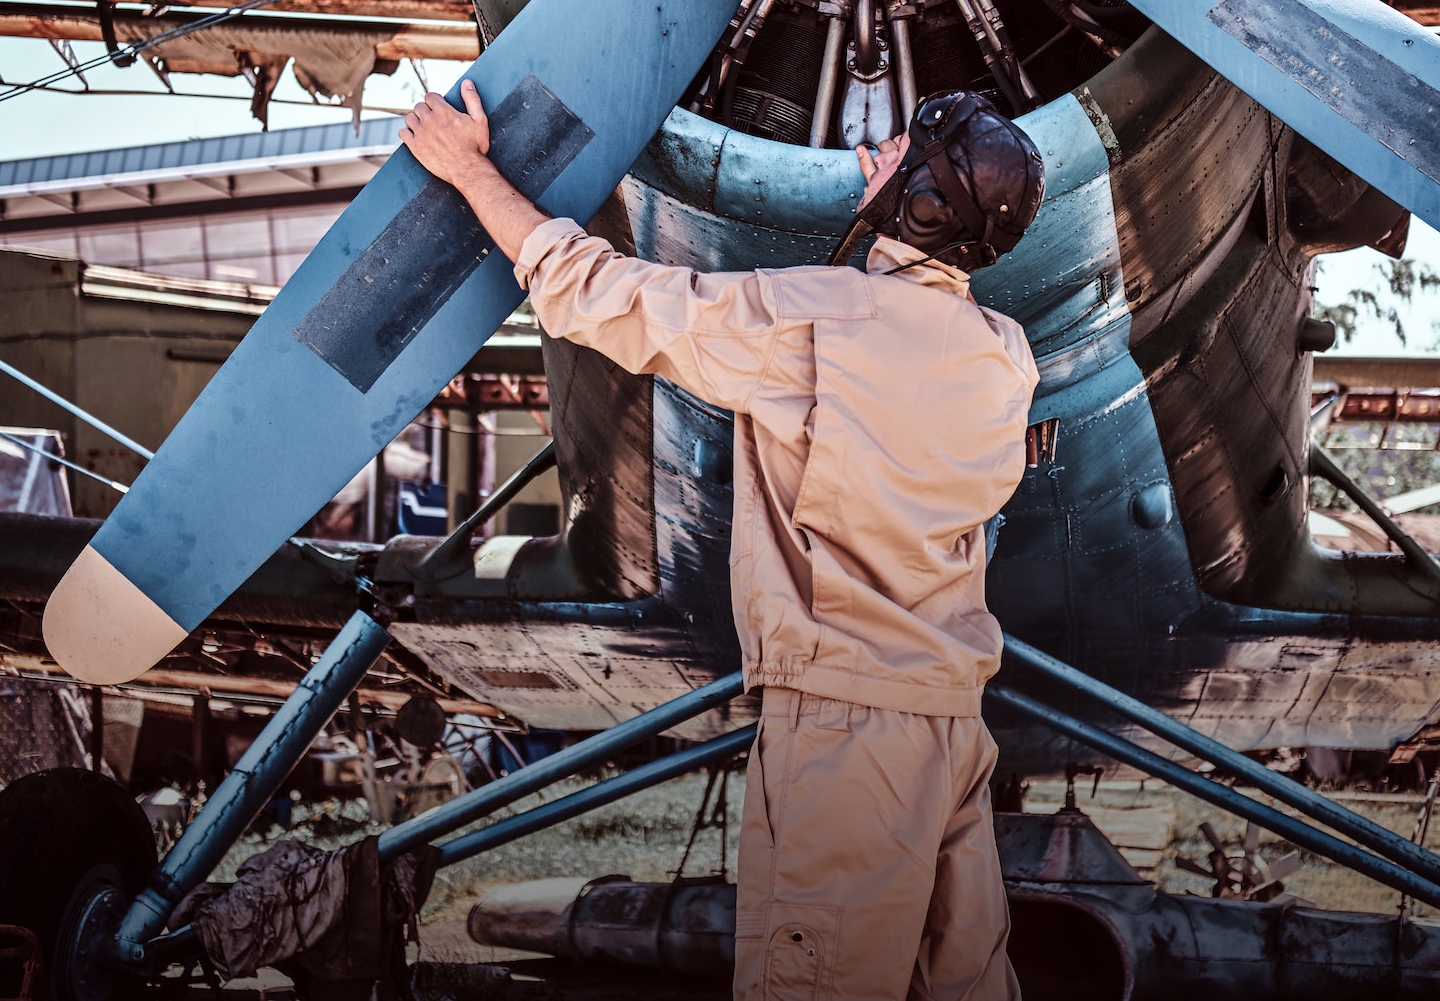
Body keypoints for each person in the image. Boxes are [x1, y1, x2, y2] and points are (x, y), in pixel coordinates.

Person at [401, 81, 1045, 1001]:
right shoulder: (1004, 353)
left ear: (925, 199)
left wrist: (468, 168)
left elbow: (600, 293)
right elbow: (909, 331)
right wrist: (898, 208)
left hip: (843, 732)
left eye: (901, 151)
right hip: (949, 724)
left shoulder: (813, 320)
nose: (879, 150)